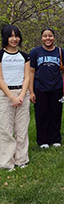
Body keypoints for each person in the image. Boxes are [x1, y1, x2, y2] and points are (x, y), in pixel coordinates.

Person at [29, 28, 64, 148]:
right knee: (41, 114)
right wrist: (31, 91)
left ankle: (55, 138)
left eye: (50, 36)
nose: (48, 38)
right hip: (40, 87)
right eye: (45, 36)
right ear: (41, 38)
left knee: (56, 114)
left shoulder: (61, 52)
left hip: (57, 87)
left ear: (54, 37)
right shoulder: (35, 52)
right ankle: (43, 140)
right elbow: (31, 72)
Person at [0, 25, 30, 171]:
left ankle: (21, 159)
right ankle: (6, 162)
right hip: (5, 95)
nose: (14, 39)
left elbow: (27, 76)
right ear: (5, 37)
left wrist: (22, 95)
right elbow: (0, 79)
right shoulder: (1, 55)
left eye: (16, 35)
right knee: (5, 129)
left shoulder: (24, 56)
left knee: (22, 128)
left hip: (22, 94)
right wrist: (12, 97)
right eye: (11, 36)